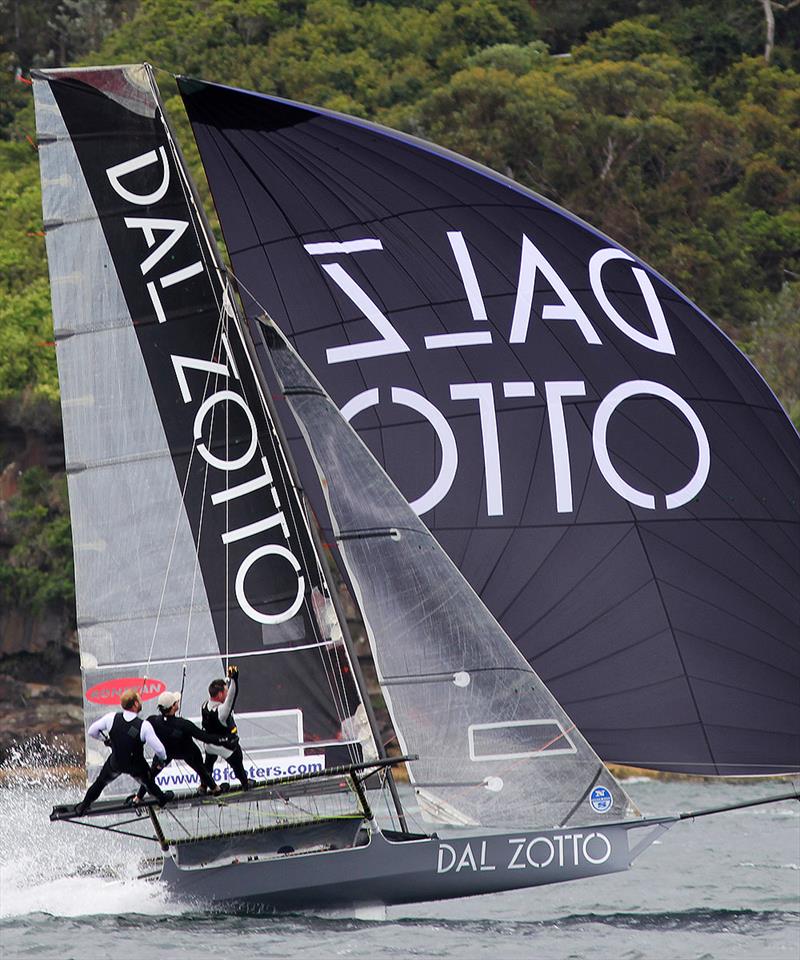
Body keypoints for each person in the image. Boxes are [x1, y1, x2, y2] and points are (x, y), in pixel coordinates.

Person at [75, 688, 174, 814]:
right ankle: (162, 799)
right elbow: (160, 750)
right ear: (136, 704)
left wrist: (105, 740)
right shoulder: (144, 725)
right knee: (148, 783)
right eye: (139, 699)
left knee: (100, 782)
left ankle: (83, 806)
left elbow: (92, 731)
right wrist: (161, 761)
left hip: (116, 763)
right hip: (136, 766)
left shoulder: (111, 718)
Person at [135, 690, 233, 800]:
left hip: (165, 753)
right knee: (201, 769)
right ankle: (215, 788)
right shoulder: (184, 724)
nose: (178, 703)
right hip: (187, 753)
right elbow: (205, 737)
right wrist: (225, 739)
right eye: (176, 702)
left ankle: (138, 798)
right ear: (173, 707)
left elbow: (138, 730)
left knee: (150, 775)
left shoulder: (152, 720)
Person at [201, 665, 251, 791]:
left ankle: (203, 786)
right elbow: (232, 696)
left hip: (210, 745)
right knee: (237, 763)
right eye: (225, 691)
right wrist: (235, 679)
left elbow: (225, 691)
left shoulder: (205, 705)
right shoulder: (222, 711)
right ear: (220, 694)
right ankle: (245, 783)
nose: (227, 692)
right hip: (225, 747)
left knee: (208, 765)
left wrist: (228, 679)